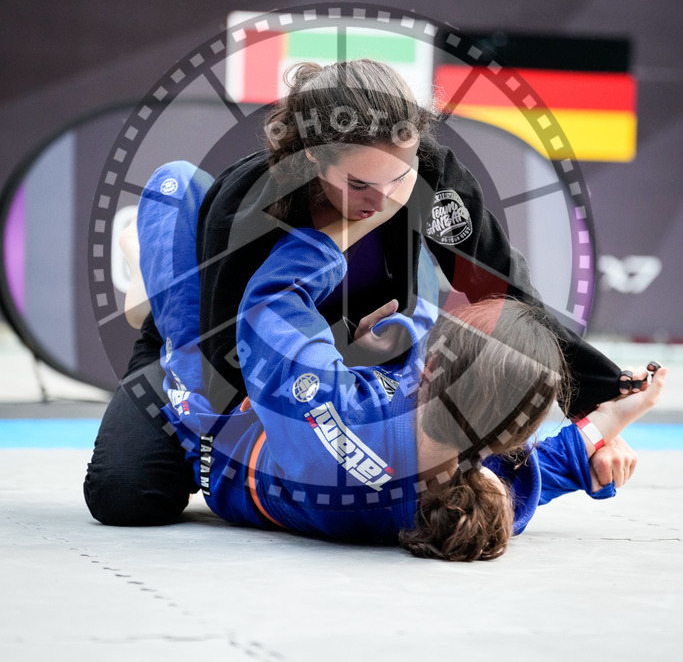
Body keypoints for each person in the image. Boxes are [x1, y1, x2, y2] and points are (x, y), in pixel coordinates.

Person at [84, 59, 643, 527]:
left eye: (399, 177)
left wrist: (595, 405)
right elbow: (222, 369)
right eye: (359, 185)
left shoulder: (434, 178)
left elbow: (507, 296)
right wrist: (333, 377)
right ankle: (155, 276)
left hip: (363, 346)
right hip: (218, 341)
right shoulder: (248, 208)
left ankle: (155, 271)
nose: (383, 199)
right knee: (126, 496)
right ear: (312, 159)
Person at [92, 160, 666, 562]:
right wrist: (603, 428)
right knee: (411, 317)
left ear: (432, 369)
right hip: (333, 414)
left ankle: (147, 293)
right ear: (506, 441)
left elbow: (270, 303)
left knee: (174, 185)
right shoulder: (480, 500)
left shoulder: (338, 404)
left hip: (219, 419)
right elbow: (547, 469)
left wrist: (344, 227)